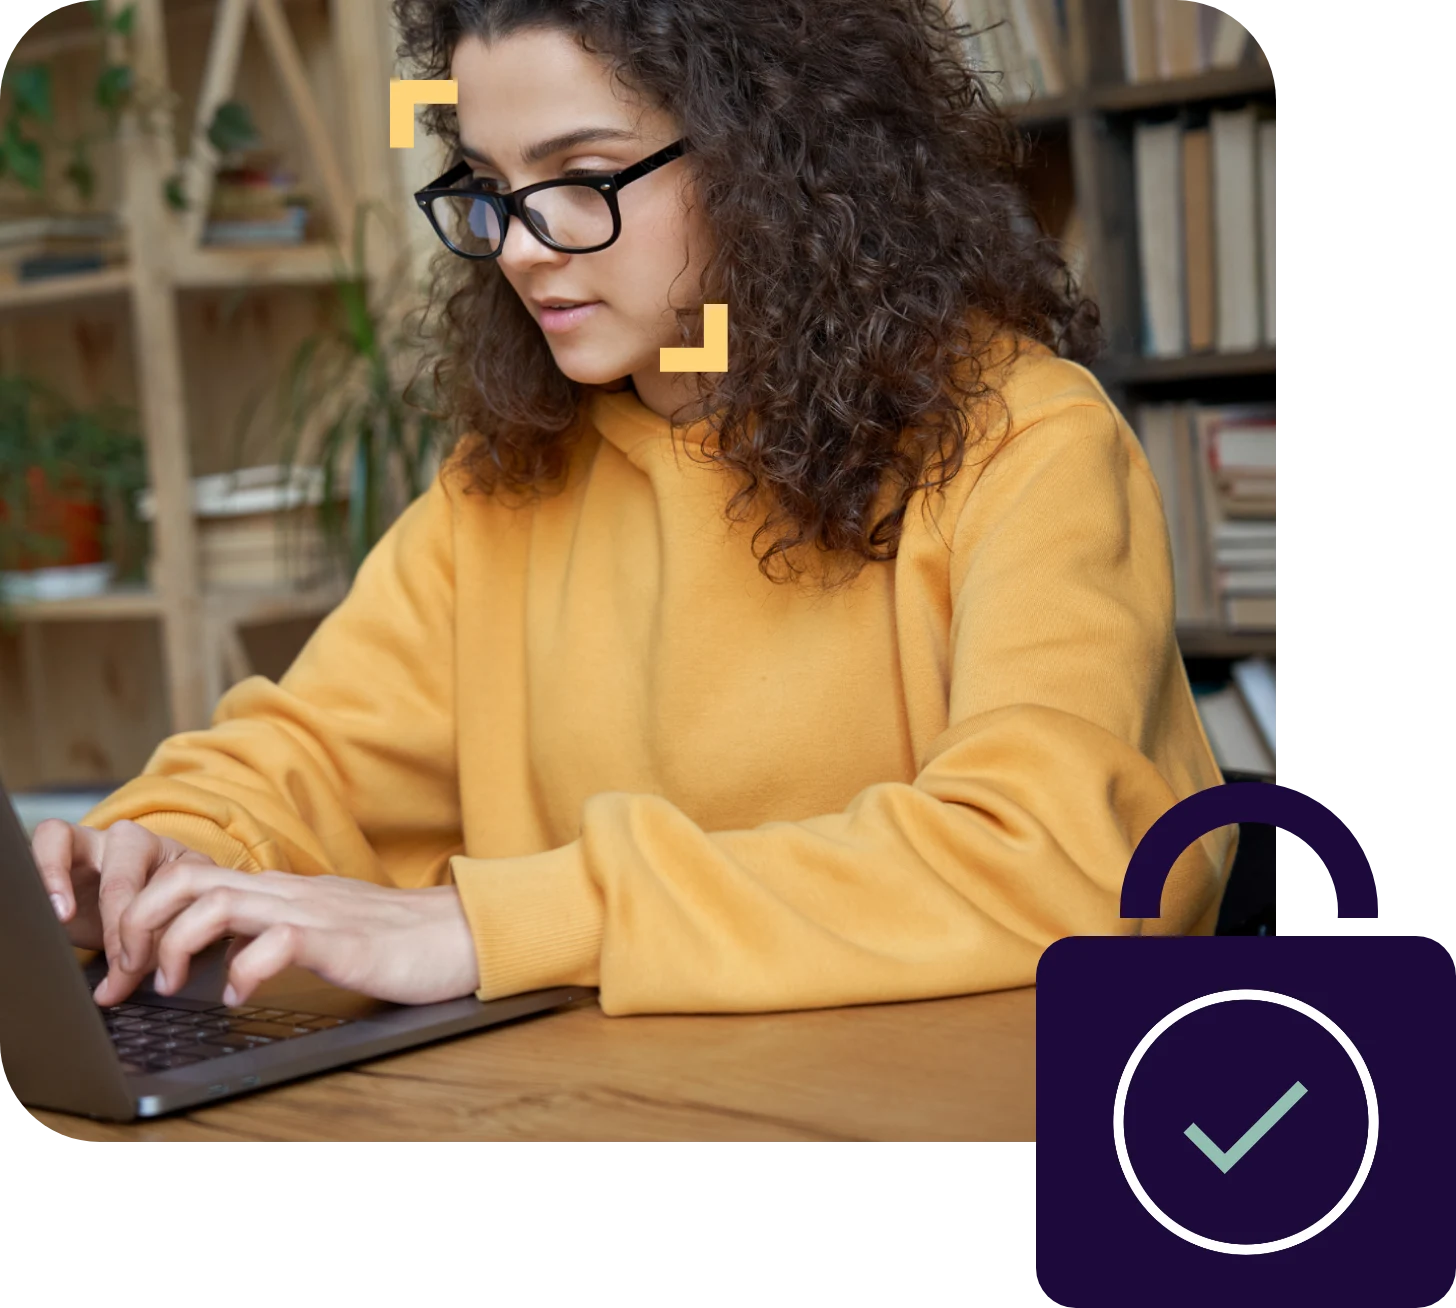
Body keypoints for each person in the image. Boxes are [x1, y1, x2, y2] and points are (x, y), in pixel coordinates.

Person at [30, 0, 1235, 1019]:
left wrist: (493, 927)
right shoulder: (502, 488)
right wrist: (153, 857)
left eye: (586, 178)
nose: (521, 248)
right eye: (492, 188)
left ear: (778, 157)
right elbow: (307, 762)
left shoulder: (1024, 443)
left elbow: (1064, 864)